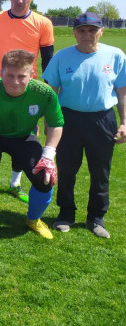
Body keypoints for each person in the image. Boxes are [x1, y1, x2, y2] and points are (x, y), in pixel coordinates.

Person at [43, 12, 126, 238]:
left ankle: (96, 217)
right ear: (74, 33)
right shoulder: (61, 57)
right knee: (67, 169)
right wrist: (49, 122)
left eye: (92, 30)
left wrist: (124, 122)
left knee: (101, 171)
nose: (86, 34)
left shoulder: (115, 55)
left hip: (102, 119)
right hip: (68, 119)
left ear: (101, 31)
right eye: (81, 30)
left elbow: (122, 91)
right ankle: (65, 213)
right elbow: (51, 92)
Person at [0, 50, 63, 239]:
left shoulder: (44, 93)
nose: (15, 81)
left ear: (32, 74)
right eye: (10, 75)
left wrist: (49, 156)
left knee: (45, 177)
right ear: (0, 73)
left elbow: (56, 124)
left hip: (23, 137)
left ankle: (34, 219)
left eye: (21, 76)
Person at [0, 0, 55, 202]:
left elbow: (48, 59)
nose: (20, 0)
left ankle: (15, 183)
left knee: (23, 137)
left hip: (27, 91)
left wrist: (44, 89)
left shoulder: (43, 23)